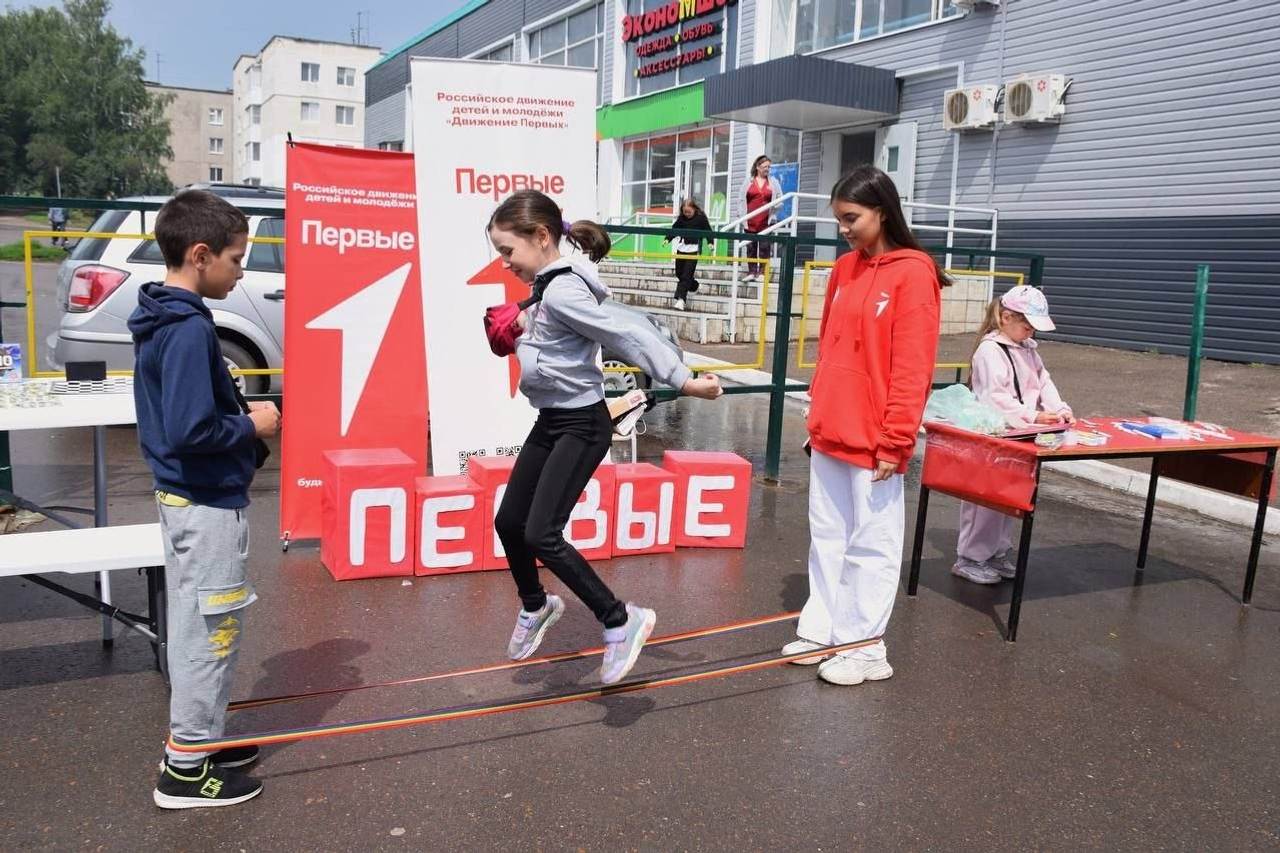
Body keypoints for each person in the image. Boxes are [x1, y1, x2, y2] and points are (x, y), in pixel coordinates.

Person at [487, 189, 723, 684]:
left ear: (541, 236)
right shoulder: (547, 287)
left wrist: (682, 379)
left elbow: (627, 335)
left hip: (581, 425)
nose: (504, 262)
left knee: (541, 534)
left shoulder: (562, 290)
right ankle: (537, 604)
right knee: (509, 520)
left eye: (508, 251)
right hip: (552, 421)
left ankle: (620, 619)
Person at [128, 190, 281, 809]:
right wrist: (254, 426)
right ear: (200, 255)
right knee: (211, 631)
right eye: (237, 259)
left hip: (188, 498)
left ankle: (198, 740)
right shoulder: (189, 328)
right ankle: (186, 771)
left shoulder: (166, 316)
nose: (242, 271)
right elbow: (193, 429)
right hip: (205, 501)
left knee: (202, 622)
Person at [781, 165, 946, 686]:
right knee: (827, 535)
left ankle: (866, 645)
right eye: (839, 220)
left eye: (852, 218)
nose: (845, 229)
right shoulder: (845, 268)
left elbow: (912, 366)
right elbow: (830, 346)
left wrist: (896, 441)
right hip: (831, 426)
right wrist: (818, 413)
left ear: (882, 210)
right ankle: (825, 627)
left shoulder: (913, 272)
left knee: (871, 543)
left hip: (877, 437)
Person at [952, 286, 1074, 584]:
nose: (1031, 332)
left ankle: (996, 551)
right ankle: (970, 557)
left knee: (1010, 497)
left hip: (1022, 434)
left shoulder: (1028, 349)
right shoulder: (990, 350)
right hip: (994, 434)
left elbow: (1043, 382)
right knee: (985, 500)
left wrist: (1059, 408)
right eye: (1027, 325)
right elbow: (996, 397)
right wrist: (1034, 415)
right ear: (1006, 317)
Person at [662, 197, 711, 311]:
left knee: (685, 275)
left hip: (693, 251)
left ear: (694, 209)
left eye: (689, 212)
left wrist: (710, 242)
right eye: (685, 212)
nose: (687, 214)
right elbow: (674, 229)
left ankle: (680, 300)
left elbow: (708, 230)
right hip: (681, 249)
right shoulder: (682, 218)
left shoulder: (701, 218)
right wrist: (667, 239)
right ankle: (694, 286)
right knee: (680, 273)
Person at [738, 155, 782, 282]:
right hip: (750, 219)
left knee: (764, 246)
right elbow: (741, 199)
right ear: (757, 167)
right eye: (764, 167)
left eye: (769, 167)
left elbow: (779, 198)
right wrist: (741, 215)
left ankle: (762, 272)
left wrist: (775, 209)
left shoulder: (773, 182)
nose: (767, 169)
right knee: (751, 246)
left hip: (765, 220)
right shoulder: (749, 181)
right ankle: (752, 271)